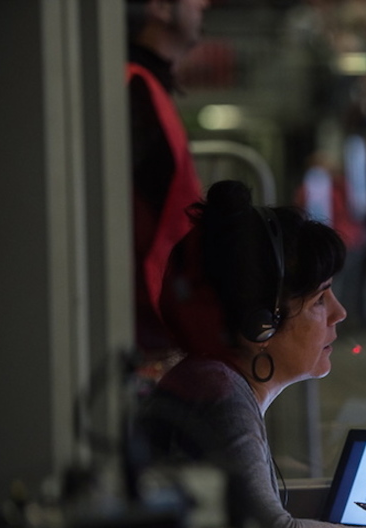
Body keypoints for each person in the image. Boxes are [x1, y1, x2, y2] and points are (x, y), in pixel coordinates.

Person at [135, 180, 366, 528]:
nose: (339, 312)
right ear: (260, 325)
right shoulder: (217, 393)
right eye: (320, 299)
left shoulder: (202, 381)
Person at [126, 0, 209, 364]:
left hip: (158, 313)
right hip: (145, 319)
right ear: (159, 8)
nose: (203, 4)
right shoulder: (133, 87)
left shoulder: (145, 86)